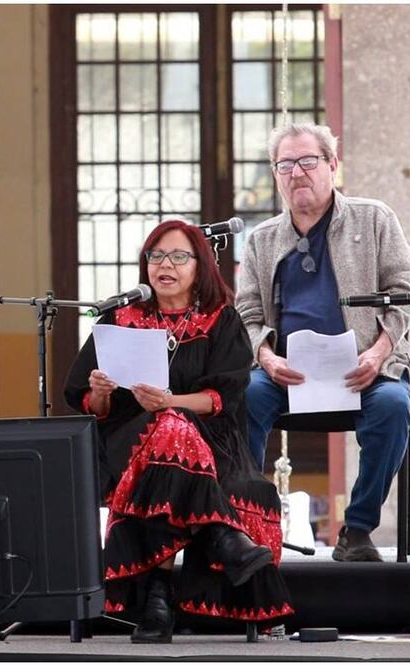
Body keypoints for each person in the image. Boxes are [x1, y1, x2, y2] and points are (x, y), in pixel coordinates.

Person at [64, 219, 293, 643]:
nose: (164, 265)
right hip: (129, 439)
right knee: (168, 430)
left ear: (199, 265)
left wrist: (170, 402)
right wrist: (100, 392)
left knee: (172, 426)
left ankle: (159, 595)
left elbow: (222, 398)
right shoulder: (121, 316)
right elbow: (93, 407)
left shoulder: (221, 318)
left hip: (210, 438)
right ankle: (223, 535)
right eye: (156, 256)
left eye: (178, 256)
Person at [237, 122, 410, 563]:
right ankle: (246, 525)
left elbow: (408, 293)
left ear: (332, 165)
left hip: (365, 368)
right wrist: (266, 357)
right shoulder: (262, 240)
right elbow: (246, 314)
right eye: (285, 165)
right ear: (275, 173)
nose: (297, 173)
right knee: (243, 397)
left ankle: (357, 529)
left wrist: (378, 352)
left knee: (393, 405)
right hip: (286, 374)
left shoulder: (374, 219)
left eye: (307, 161)